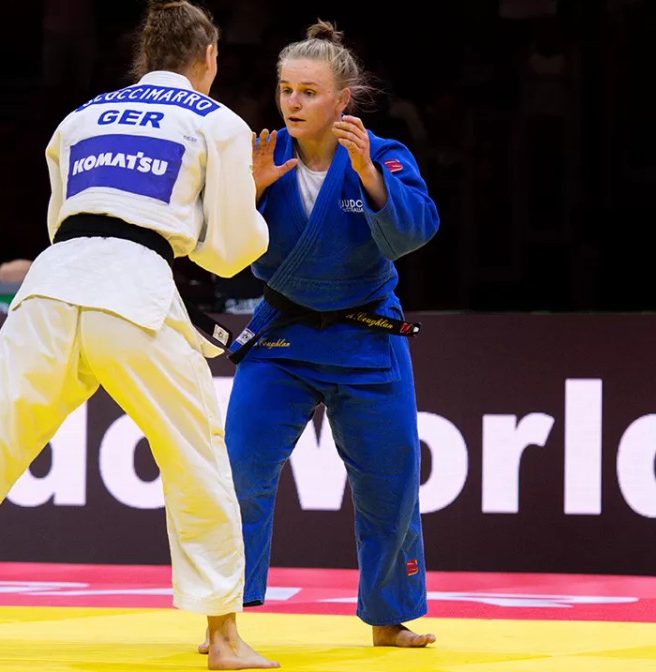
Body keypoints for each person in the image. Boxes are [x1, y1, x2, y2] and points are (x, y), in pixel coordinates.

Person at [0, 1, 278, 669]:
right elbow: (229, 253)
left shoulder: (81, 117)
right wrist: (252, 193)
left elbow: (61, 220)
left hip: (50, 286)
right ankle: (222, 639)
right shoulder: (220, 123)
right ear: (210, 56)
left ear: (144, 54)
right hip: (133, 295)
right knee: (197, 460)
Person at [204, 19, 440, 652]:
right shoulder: (262, 155)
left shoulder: (384, 154)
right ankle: (222, 621)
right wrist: (246, 196)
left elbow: (415, 232)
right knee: (240, 471)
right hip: (281, 338)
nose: (294, 103)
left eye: (310, 92)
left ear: (344, 99)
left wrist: (368, 176)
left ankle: (389, 618)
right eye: (286, 90)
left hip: (365, 335)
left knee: (388, 481)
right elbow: (216, 254)